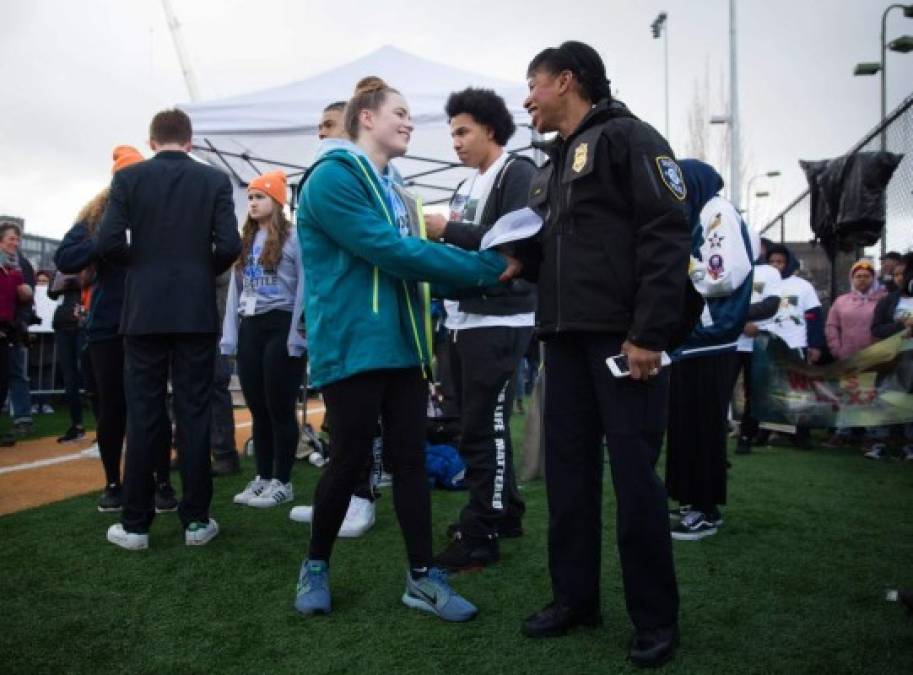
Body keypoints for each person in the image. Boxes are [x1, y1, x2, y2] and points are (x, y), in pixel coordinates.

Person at [293, 76, 517, 622]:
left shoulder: (398, 190)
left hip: (407, 345)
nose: (411, 121)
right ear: (365, 117)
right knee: (347, 461)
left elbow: (417, 269)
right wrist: (487, 270)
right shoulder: (330, 179)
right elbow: (392, 252)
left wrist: (485, 278)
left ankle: (421, 577)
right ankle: (316, 564)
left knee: (411, 463)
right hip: (354, 345)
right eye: (400, 111)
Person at [513, 41, 698, 667]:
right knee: (567, 479)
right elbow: (539, 252)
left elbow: (667, 233)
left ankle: (655, 618)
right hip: (562, 343)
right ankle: (575, 599)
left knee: (636, 483)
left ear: (566, 81)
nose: (526, 99)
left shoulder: (630, 137)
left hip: (624, 344)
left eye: (533, 85)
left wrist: (649, 334)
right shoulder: (549, 164)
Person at [97, 111, 241, 550]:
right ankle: (196, 521)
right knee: (194, 412)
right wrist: (199, 271)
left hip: (144, 311)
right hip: (194, 310)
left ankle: (136, 524)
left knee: (144, 413)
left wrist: (141, 269)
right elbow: (230, 246)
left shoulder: (129, 179)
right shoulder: (214, 181)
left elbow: (106, 243)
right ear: (190, 141)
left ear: (152, 139)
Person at [423, 87, 536, 571]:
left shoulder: (519, 173)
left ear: (491, 128)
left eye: (463, 131)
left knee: (483, 427)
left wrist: (444, 231)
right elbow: (475, 251)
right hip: (463, 318)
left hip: (501, 318)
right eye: (452, 133)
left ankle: (481, 532)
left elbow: (508, 247)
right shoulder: (467, 185)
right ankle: (503, 512)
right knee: (475, 426)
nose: (456, 142)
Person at [55, 145, 178, 513]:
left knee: (153, 405)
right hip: (108, 325)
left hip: (152, 321)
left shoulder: (163, 212)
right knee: (112, 408)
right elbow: (64, 258)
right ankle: (113, 483)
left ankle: (161, 482)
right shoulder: (96, 218)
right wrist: (104, 240)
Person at [289, 99, 380, 538]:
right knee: (339, 422)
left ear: (351, 126)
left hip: (362, 322)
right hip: (333, 317)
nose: (321, 133)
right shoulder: (327, 179)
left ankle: (361, 499)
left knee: (355, 425)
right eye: (318, 125)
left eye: (328, 124)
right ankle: (337, 498)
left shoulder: (370, 175)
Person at [664, 159, 753, 541]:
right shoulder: (698, 215)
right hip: (693, 338)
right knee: (684, 425)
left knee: (701, 426)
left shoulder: (716, 212)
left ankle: (705, 510)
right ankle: (690, 503)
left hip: (712, 336)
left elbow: (723, 276)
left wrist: (679, 265)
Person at [222, 170, 306, 507]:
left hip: (281, 323)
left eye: (260, 197)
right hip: (251, 326)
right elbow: (234, 291)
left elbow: (305, 286)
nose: (253, 202)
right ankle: (263, 477)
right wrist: (229, 337)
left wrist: (298, 335)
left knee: (279, 406)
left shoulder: (295, 239)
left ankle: (283, 481)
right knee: (257, 407)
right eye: (251, 197)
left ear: (277, 201)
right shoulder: (245, 241)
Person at [764, 243, 824, 449]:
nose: (775, 265)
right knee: (768, 389)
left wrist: (815, 345)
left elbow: (814, 316)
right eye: (771, 261)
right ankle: (767, 432)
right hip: (766, 345)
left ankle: (801, 434)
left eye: (779, 261)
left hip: (795, 344)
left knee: (798, 392)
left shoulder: (802, 286)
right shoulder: (760, 284)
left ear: (788, 263)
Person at [824, 259, 886, 448]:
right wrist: (837, 349)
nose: (862, 280)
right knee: (848, 395)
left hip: (876, 357)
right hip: (849, 356)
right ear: (852, 278)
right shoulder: (841, 301)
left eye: (867, 276)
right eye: (858, 276)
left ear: (873, 278)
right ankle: (844, 432)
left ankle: (872, 435)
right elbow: (831, 326)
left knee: (873, 396)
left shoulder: (884, 299)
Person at [733, 235, 782, 455]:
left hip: (757, 343)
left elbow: (771, 305)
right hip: (730, 342)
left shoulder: (770, 272)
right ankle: (713, 441)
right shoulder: (728, 268)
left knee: (755, 391)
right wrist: (741, 322)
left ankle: (746, 436)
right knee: (720, 391)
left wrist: (737, 317)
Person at [870, 254, 913, 461]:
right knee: (886, 398)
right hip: (893, 359)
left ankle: (909, 445)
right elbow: (877, 329)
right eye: (895, 274)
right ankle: (880, 442)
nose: (898, 278)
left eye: (902, 274)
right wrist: (901, 326)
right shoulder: (888, 301)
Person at [0, 222, 34, 446]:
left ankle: (22, 418)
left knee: (3, 380)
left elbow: (25, 295)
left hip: (9, 329)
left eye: (17, 239)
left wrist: (27, 292)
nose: (16, 243)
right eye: (11, 238)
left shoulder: (19, 266)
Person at [47, 270, 86, 442]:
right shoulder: (61, 269)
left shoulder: (91, 262)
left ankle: (105, 426)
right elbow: (51, 293)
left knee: (91, 375)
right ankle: (76, 425)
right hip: (62, 325)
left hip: (83, 324)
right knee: (69, 378)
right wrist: (61, 282)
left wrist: (77, 280)